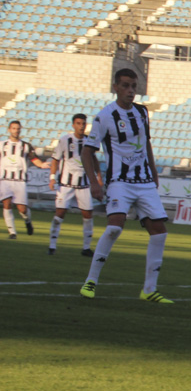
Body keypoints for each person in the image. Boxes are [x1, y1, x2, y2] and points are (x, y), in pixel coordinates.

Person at [78, 69, 173, 303]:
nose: (131, 90)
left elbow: (146, 143)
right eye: (126, 86)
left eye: (134, 86)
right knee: (114, 227)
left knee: (159, 232)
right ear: (116, 87)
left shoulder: (142, 112)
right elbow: (87, 151)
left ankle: (149, 290)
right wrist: (94, 183)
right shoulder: (105, 116)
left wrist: (153, 171)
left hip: (144, 181)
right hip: (119, 181)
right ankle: (91, 280)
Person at [49, 113, 98, 256]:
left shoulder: (89, 141)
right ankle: (52, 245)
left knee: (88, 215)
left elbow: (94, 159)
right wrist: (53, 178)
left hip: (84, 185)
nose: (81, 126)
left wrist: (98, 177)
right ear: (73, 125)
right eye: (78, 123)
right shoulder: (65, 140)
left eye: (83, 123)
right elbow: (55, 159)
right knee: (59, 214)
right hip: (66, 185)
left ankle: (86, 248)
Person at [1, 119, 50, 239]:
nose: (16, 131)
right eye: (13, 128)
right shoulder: (2, 145)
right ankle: (12, 232)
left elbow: (34, 159)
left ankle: (27, 221)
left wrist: (41, 164)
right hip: (5, 179)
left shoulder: (25, 146)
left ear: (20, 130)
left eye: (18, 129)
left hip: (20, 180)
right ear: (9, 130)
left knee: (22, 209)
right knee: (6, 204)